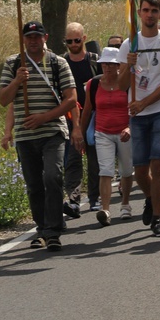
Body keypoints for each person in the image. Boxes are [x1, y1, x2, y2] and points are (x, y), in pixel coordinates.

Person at [0, 21, 78, 251]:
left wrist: (44, 117)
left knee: (52, 177)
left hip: (52, 131)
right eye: (29, 36)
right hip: (25, 135)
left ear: (46, 37)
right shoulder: (13, 63)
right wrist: (16, 81)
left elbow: (71, 99)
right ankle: (42, 228)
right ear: (23, 39)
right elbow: (3, 100)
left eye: (37, 36)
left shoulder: (57, 63)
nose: (33, 40)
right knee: (34, 185)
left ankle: (52, 231)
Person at [118, 0, 160, 237]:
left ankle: (157, 217)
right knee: (140, 171)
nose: (149, 15)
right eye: (145, 10)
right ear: (139, 13)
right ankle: (150, 198)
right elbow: (121, 84)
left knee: (158, 165)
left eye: (154, 11)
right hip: (137, 113)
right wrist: (128, 64)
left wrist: (144, 102)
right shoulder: (129, 44)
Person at [81, 47, 134, 226]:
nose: (107, 68)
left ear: (119, 65)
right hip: (102, 132)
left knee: (126, 170)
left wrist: (130, 128)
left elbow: (135, 108)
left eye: (111, 64)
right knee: (105, 170)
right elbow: (87, 110)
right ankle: (105, 209)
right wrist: (80, 134)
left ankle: (125, 204)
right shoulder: (93, 84)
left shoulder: (128, 82)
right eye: (104, 64)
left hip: (124, 132)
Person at [62, 22, 101, 216]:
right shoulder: (61, 63)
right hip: (69, 116)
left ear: (84, 39)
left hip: (94, 115)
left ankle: (95, 197)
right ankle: (74, 199)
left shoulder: (94, 60)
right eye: (69, 41)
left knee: (94, 158)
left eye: (76, 40)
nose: (73, 44)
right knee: (73, 158)